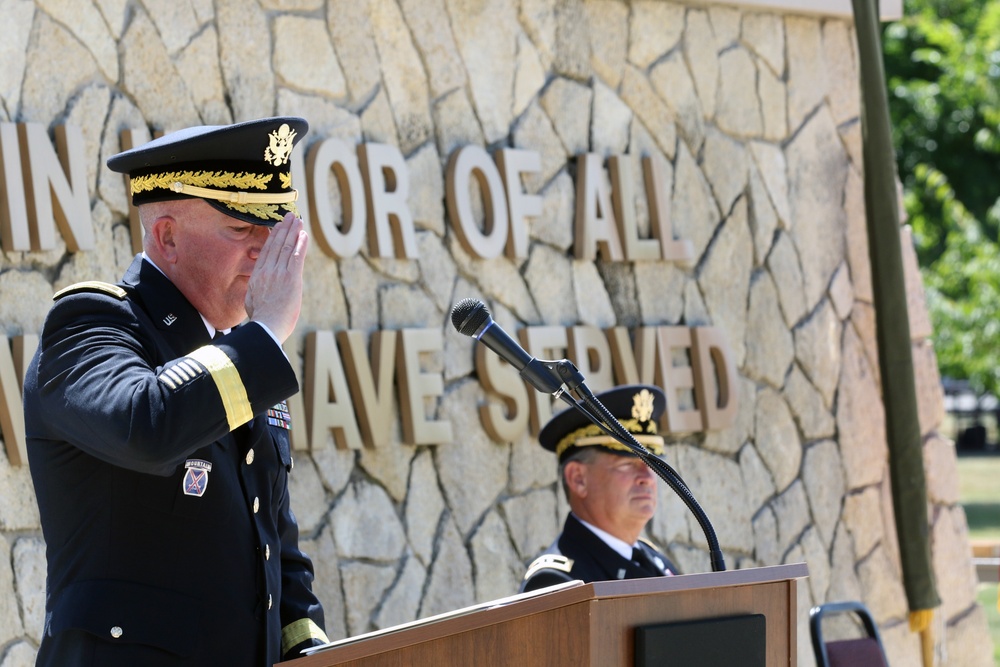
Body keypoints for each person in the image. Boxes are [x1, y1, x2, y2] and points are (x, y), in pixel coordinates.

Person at [23, 116, 329, 666]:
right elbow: (146, 427)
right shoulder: (89, 325)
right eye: (241, 229)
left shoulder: (238, 356)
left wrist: (307, 646)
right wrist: (261, 337)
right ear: (166, 236)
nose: (264, 251)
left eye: (272, 229)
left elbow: (274, 548)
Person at [520, 384, 679, 593]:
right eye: (627, 463)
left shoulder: (657, 564)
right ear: (578, 479)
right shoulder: (556, 583)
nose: (647, 477)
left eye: (651, 463)